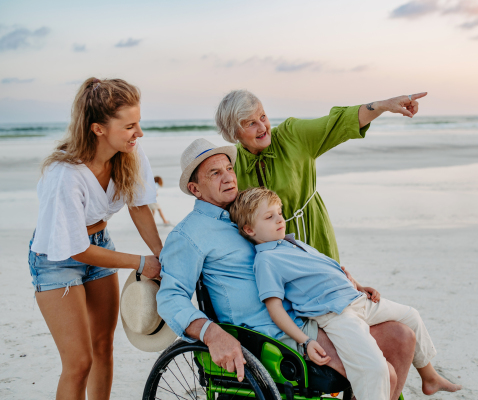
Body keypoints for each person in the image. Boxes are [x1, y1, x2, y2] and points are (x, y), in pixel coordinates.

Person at [157, 139, 416, 397]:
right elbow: (170, 297)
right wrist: (212, 334)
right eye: (215, 173)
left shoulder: (245, 213)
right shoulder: (188, 234)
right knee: (384, 374)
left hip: (311, 310)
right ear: (195, 188)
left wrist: (347, 283)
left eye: (229, 169)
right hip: (273, 335)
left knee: (402, 336)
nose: (228, 178)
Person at [230, 187, 462, 399]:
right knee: (374, 368)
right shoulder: (266, 260)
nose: (280, 219)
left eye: (279, 213)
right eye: (269, 217)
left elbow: (333, 270)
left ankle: (429, 377)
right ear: (250, 229)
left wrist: (359, 285)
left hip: (357, 299)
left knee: (411, 316)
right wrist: (306, 340)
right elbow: (274, 308)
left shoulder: (292, 244)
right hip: (337, 314)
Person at [28, 78, 163, 400]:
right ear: (98, 128)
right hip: (56, 259)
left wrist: (161, 253)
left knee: (104, 347)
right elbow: (75, 249)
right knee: (78, 363)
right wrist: (142, 262)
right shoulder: (66, 175)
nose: (139, 133)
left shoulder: (129, 151)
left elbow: (140, 205)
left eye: (138, 123)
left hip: (100, 246)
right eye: (130, 126)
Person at [215, 90, 426, 262]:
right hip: (268, 258)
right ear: (234, 133)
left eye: (263, 117)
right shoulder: (231, 165)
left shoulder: (292, 135)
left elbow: (338, 122)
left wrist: (382, 105)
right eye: (251, 123)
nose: (263, 127)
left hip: (313, 236)